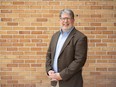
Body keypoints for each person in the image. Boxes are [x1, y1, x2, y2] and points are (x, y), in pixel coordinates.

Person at [46, 9, 88, 87]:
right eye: (63, 18)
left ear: (73, 20)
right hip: (54, 81)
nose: (65, 21)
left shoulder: (80, 37)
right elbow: (49, 55)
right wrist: (49, 70)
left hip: (71, 82)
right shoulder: (55, 36)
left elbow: (79, 61)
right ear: (59, 20)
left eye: (68, 18)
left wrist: (61, 75)